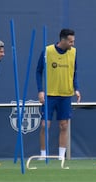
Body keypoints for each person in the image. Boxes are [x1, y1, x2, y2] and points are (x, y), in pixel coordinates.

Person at [35, 28, 81, 160]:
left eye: (73, 41)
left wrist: (76, 88)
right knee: (45, 125)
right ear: (63, 40)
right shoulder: (48, 51)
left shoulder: (73, 52)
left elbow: (74, 72)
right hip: (49, 94)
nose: (72, 44)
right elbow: (38, 71)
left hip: (65, 94)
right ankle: (43, 155)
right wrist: (40, 90)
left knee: (64, 125)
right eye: (71, 41)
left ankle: (61, 156)